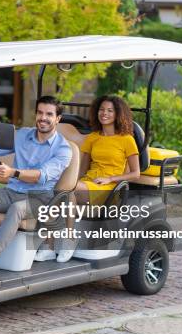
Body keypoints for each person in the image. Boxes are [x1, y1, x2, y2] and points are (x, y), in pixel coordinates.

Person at [0, 96, 72, 261]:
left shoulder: (63, 149)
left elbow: (41, 176)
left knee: (17, 209)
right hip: (11, 192)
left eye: (49, 114)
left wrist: (13, 172)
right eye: (40, 113)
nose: (43, 118)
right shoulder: (23, 134)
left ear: (58, 118)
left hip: (40, 199)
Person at [34, 94, 142, 261]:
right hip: (87, 184)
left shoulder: (127, 139)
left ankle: (66, 241)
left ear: (118, 114)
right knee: (60, 192)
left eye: (109, 110)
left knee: (66, 190)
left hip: (108, 189)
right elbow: (81, 169)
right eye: (101, 109)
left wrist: (110, 179)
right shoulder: (93, 137)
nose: (104, 113)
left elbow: (136, 174)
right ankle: (50, 246)